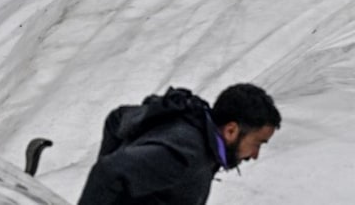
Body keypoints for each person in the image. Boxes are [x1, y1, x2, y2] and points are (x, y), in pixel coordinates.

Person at [78, 83, 281, 204]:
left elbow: (118, 119)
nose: (255, 155)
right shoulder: (187, 154)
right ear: (231, 130)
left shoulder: (191, 123)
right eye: (257, 143)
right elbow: (109, 171)